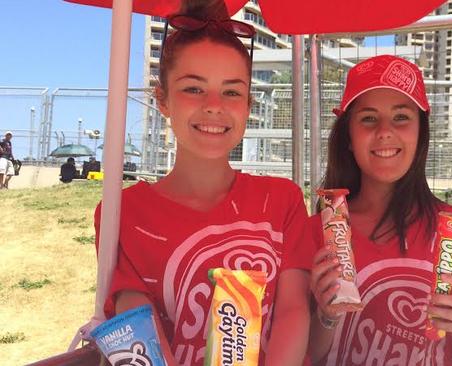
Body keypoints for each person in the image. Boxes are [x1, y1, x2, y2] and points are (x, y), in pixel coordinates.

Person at [93, 1, 313, 365]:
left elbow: (293, 311)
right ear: (162, 99)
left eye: (231, 91)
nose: (214, 105)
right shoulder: (120, 213)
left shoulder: (282, 200)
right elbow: (136, 330)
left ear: (248, 104)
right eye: (194, 89)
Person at [308, 55, 452, 366]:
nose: (385, 131)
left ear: (420, 133)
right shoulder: (317, 231)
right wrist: (326, 316)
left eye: (401, 117)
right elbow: (305, 353)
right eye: (369, 119)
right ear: (348, 137)